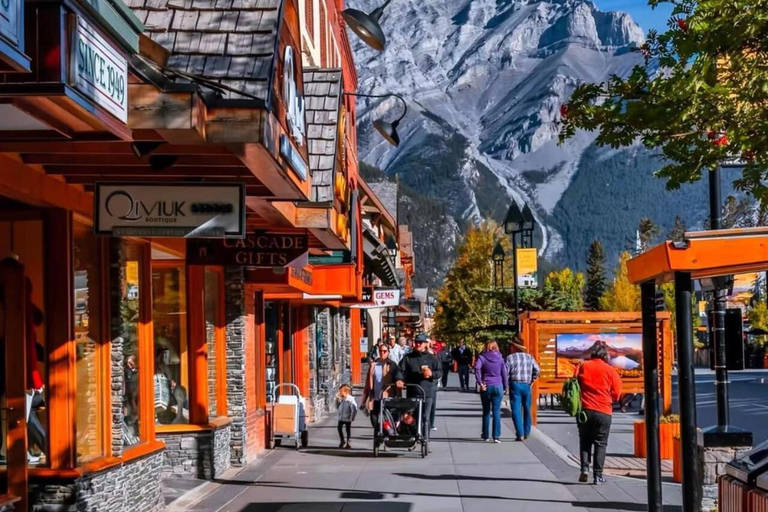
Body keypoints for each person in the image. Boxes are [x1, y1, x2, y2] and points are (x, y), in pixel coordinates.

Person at [577, 342, 622, 484]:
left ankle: (584, 469)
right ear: (605, 356)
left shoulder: (583, 366)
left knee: (585, 440)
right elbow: (617, 394)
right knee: (600, 443)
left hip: (584, 410)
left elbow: (574, 384)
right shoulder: (610, 370)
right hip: (603, 411)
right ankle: (598, 476)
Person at [397, 333, 440, 433]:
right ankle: (414, 435)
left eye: (420, 342)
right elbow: (400, 370)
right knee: (411, 417)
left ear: (425, 343)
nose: (418, 344)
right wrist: (399, 379)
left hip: (428, 392)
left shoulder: (432, 358)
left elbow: (440, 371)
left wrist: (432, 373)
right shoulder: (408, 358)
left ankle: (425, 440)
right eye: (416, 342)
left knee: (425, 417)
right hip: (413, 391)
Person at [505, 337, 539, 441]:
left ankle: (520, 433)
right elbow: (537, 370)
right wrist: (532, 379)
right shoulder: (529, 357)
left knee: (516, 409)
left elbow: (505, 372)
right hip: (527, 385)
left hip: (515, 384)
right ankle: (527, 431)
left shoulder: (510, 358)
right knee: (527, 409)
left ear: (514, 347)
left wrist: (506, 385)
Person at [361, 343, 398, 435]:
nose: (382, 353)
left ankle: (385, 433)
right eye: (380, 351)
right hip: (375, 396)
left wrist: (397, 396)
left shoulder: (392, 365)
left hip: (387, 395)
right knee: (373, 417)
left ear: (388, 352)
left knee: (387, 418)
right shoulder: (374, 365)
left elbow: (397, 380)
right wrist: (364, 399)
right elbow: (367, 383)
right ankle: (378, 431)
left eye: (384, 351)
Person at [475, 341, 508, 443]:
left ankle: (485, 435)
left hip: (486, 386)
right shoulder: (500, 358)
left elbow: (477, 368)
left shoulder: (482, 357)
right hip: (498, 386)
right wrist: (505, 386)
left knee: (486, 411)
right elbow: (504, 373)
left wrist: (480, 382)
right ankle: (496, 436)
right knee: (496, 411)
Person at [336, 383, 357, 449]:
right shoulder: (342, 399)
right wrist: (337, 401)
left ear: (345, 391)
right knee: (339, 428)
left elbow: (354, 409)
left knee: (348, 430)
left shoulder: (350, 399)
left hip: (348, 417)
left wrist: (352, 417)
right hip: (341, 417)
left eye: (341, 391)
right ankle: (342, 440)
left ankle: (348, 442)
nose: (340, 393)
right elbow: (337, 407)